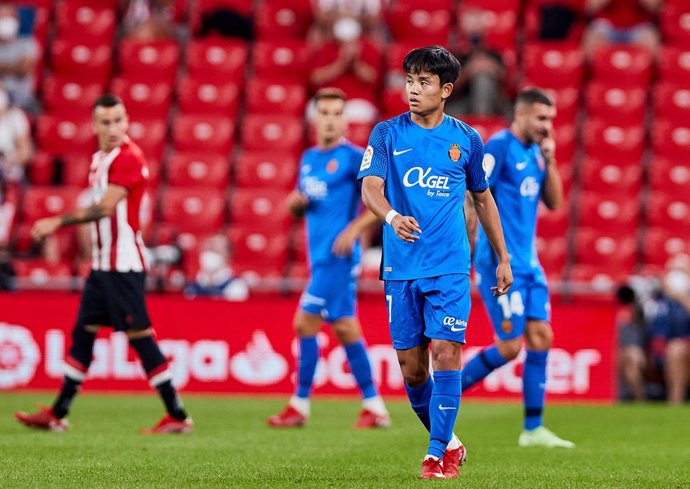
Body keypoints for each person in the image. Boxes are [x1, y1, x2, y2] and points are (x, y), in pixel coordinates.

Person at [358, 46, 513, 479]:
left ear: (445, 90)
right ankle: (452, 442)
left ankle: (435, 453)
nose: (412, 89)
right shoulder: (386, 134)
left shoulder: (466, 139)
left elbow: (483, 199)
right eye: (409, 80)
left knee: (447, 353)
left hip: (449, 266)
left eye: (423, 82)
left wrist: (502, 257)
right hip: (400, 268)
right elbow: (371, 188)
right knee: (412, 369)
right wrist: (390, 215)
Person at [14, 94, 192, 434]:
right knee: (83, 334)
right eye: (106, 122)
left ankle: (178, 415)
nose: (114, 128)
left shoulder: (128, 158)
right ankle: (58, 412)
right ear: (94, 125)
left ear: (127, 122)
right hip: (102, 266)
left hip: (123, 266)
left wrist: (57, 221)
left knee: (140, 338)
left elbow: (105, 208)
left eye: (119, 120)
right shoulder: (100, 159)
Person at [267, 88, 390, 429]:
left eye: (338, 112)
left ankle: (299, 405)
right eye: (325, 112)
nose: (331, 119)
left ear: (345, 120)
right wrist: (296, 203)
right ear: (315, 118)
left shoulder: (353, 157)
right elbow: (304, 201)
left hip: (338, 257)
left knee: (304, 322)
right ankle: (375, 407)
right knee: (347, 329)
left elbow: (383, 197)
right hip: (317, 256)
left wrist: (354, 229)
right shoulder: (309, 158)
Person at [462, 87, 574, 448]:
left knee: (542, 336)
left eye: (551, 120)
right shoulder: (499, 147)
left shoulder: (536, 153)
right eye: (542, 118)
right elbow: (475, 195)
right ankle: (444, 391)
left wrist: (551, 159)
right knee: (510, 346)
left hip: (530, 265)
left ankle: (533, 429)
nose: (547, 126)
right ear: (521, 114)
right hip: (500, 263)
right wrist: (473, 250)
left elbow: (555, 202)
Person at [582, 0, 661, 59]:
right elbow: (590, 7)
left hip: (639, 25)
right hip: (607, 24)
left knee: (651, 42)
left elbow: (656, 7)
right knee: (593, 38)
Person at [184, 233, 249, 301]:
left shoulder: (236, 288)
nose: (210, 254)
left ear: (228, 257)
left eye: (216, 250)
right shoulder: (191, 287)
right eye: (208, 249)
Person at [0, 3, 39, 112]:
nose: (6, 22)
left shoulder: (26, 43)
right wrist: (14, 65)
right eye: (2, 18)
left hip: (22, 102)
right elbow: (18, 67)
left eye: (9, 17)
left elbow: (24, 69)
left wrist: (2, 68)